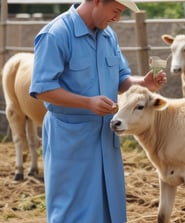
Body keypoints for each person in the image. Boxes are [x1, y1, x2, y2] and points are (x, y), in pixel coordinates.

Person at [29, 0, 167, 222]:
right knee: (72, 208)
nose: (117, 18)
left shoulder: (108, 36)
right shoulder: (56, 35)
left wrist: (144, 82)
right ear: (96, 2)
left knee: (108, 206)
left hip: (105, 135)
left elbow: (122, 79)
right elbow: (42, 89)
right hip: (71, 139)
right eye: (115, 11)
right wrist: (87, 103)